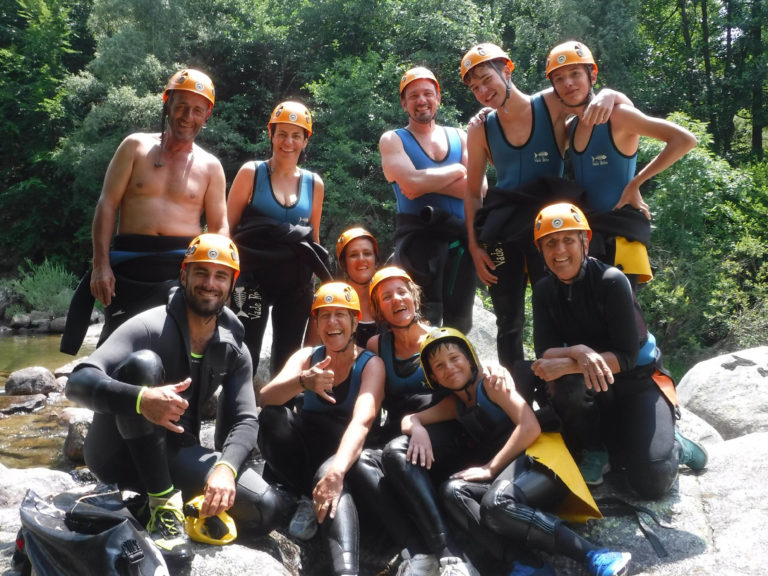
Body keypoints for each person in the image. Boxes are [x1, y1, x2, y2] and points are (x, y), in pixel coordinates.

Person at [65, 234, 287, 567]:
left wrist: (226, 468)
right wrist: (141, 399)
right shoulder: (149, 325)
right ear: (183, 275)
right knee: (143, 364)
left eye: (220, 275)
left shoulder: (234, 343)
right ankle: (161, 505)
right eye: (200, 273)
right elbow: (78, 381)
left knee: (266, 509)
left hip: (174, 451)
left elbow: (245, 417)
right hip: (117, 453)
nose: (209, 283)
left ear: (232, 283)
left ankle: (141, 508)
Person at [458, 44, 629, 369]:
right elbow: (472, 192)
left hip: (550, 226)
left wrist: (610, 94)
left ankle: (562, 381)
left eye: (486, 79)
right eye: (474, 87)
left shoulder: (550, 104)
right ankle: (516, 393)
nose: (482, 90)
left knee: (556, 303)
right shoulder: (480, 127)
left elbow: (592, 103)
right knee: (507, 317)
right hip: (500, 230)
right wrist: (474, 245)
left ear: (507, 70)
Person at [411, 327, 632, 576]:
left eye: (454, 358)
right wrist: (418, 429)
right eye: (439, 366)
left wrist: (490, 468)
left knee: (496, 502)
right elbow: (410, 419)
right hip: (511, 474)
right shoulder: (455, 405)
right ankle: (527, 565)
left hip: (542, 462)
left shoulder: (493, 384)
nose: (449, 368)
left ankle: (596, 554)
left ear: (469, 358)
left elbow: (529, 426)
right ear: (433, 377)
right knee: (452, 491)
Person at [529, 203, 707, 495]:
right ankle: (595, 450)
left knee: (651, 481)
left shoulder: (611, 281)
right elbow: (545, 351)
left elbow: (627, 356)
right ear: (541, 251)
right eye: (550, 243)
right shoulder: (545, 291)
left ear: (585, 242)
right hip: (594, 392)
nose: (559, 251)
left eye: (568, 240)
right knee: (566, 383)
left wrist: (572, 362)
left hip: (637, 384)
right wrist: (580, 351)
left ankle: (674, 445)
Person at [61, 69, 228, 355]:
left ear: (207, 115)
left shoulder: (211, 166)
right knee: (117, 348)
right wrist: (101, 264)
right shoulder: (135, 146)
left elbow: (220, 228)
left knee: (173, 348)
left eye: (198, 110)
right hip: (129, 264)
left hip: (180, 268)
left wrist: (216, 275)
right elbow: (107, 204)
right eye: (182, 107)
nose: (189, 116)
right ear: (168, 104)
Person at [544, 40, 698, 289]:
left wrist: (636, 182)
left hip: (621, 233)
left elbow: (684, 140)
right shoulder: (571, 128)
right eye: (559, 79)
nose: (568, 83)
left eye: (575, 74)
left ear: (592, 75)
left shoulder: (618, 116)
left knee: (621, 318)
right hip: (590, 231)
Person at [257, 282, 386, 576]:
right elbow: (266, 398)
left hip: (346, 450)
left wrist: (337, 471)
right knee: (272, 418)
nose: (332, 322)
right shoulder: (307, 357)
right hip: (306, 450)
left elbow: (363, 421)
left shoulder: (370, 364)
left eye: (341, 314)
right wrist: (303, 382)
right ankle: (304, 494)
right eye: (324, 315)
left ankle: (346, 571)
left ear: (355, 322)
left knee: (328, 479)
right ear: (316, 322)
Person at [227, 100, 328, 374]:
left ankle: (279, 413)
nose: (288, 142)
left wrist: (318, 286)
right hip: (252, 279)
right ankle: (239, 412)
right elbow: (227, 231)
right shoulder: (252, 172)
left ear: (306, 141)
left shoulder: (314, 183)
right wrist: (223, 279)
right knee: (245, 350)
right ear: (271, 135)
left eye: (297, 135)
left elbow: (313, 239)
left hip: (295, 283)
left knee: (289, 356)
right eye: (282, 133)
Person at [379, 66, 478, 335]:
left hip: (460, 244)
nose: (421, 100)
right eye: (413, 96)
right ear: (404, 103)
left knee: (460, 324)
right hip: (417, 245)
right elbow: (410, 185)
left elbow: (479, 190)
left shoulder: (461, 137)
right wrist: (458, 172)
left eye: (427, 94)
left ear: (438, 98)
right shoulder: (393, 140)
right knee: (419, 324)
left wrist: (424, 181)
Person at [335, 227, 380, 347]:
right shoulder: (332, 303)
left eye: (367, 254)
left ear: (375, 260)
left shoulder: (389, 299)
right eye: (353, 255)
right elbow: (312, 352)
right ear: (344, 264)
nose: (361, 260)